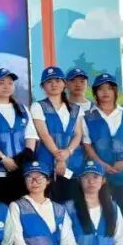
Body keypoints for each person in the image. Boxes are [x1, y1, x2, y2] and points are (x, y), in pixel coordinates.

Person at [83, 72, 123, 210]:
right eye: (101, 89)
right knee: (101, 212)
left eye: (109, 88)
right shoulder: (88, 117)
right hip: (99, 175)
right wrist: (101, 164)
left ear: (115, 92)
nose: (105, 92)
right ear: (95, 93)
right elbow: (87, 144)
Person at [31, 66, 85, 203]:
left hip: (71, 163)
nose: (54, 84)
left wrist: (68, 151)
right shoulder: (38, 106)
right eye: (49, 81)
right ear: (43, 86)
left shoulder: (76, 109)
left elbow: (78, 134)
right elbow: (44, 134)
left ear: (64, 83)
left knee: (71, 202)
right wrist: (60, 158)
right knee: (48, 203)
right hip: (47, 163)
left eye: (57, 80)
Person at [0, 68, 37, 205]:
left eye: (10, 83)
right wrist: (3, 159)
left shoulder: (22, 109)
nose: (6, 86)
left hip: (21, 171)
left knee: (21, 209)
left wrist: (21, 159)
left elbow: (30, 136)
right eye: (1, 83)